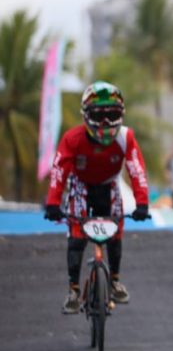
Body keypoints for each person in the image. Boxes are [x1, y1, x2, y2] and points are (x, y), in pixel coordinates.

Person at [44, 81, 150, 313]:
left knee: (115, 233)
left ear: (121, 115)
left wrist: (142, 203)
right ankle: (73, 290)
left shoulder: (126, 138)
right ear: (86, 116)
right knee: (77, 237)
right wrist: (53, 203)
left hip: (109, 186)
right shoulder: (72, 139)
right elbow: (59, 172)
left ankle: (114, 280)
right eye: (98, 116)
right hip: (80, 186)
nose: (104, 123)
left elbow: (137, 171)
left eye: (111, 115)